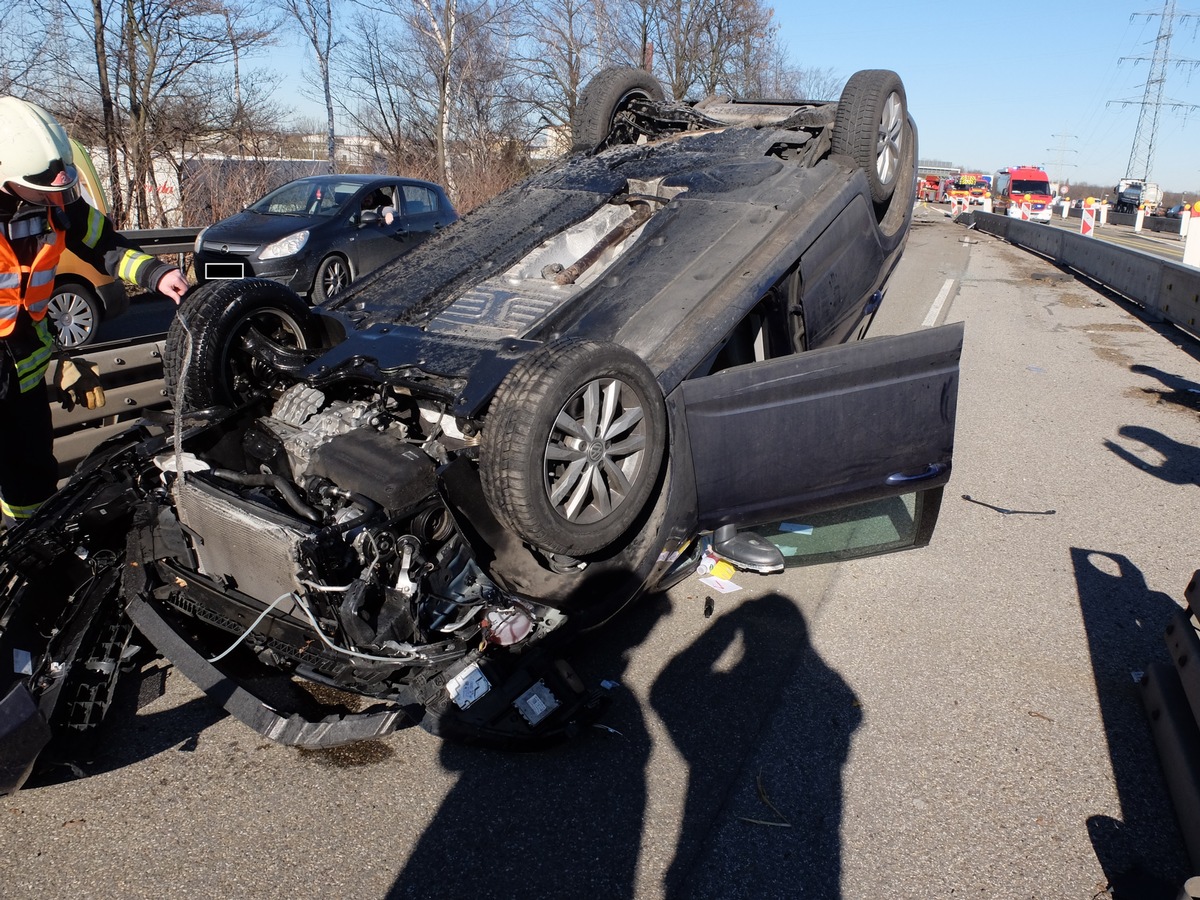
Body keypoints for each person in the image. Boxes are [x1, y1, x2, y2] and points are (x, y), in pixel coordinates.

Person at [0, 96, 189, 526]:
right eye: (46, 188)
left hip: (23, 375)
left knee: (30, 480)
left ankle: (30, 546)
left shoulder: (56, 203)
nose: (58, 196)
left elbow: (106, 244)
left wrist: (156, 274)